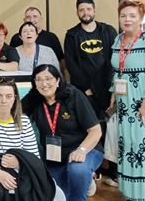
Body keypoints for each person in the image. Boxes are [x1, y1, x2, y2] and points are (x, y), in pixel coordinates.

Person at [22, 64, 103, 201]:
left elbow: (95, 131)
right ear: (34, 83)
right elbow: (13, 112)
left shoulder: (73, 95)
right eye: (39, 79)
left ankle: (85, 178)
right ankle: (86, 180)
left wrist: (81, 150)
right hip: (55, 157)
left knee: (77, 170)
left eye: (49, 78)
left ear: (58, 80)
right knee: (56, 195)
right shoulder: (34, 98)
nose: (44, 84)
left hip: (85, 150)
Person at [0, 78, 64, 201]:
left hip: (20, 170)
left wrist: (20, 162)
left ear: (14, 98)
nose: (3, 100)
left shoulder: (23, 121)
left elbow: (34, 156)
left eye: (8, 96)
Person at [109, 0, 145, 201]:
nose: (127, 19)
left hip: (144, 107)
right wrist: (114, 92)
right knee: (128, 148)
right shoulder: (118, 40)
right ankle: (131, 194)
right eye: (123, 16)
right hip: (124, 107)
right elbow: (118, 71)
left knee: (144, 149)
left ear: (141, 18)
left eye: (132, 15)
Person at [64, 0, 118, 186]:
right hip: (84, 92)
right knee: (90, 129)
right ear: (77, 12)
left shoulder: (108, 31)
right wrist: (86, 88)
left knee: (111, 130)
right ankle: (92, 172)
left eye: (88, 9)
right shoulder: (72, 35)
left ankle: (114, 172)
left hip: (107, 90)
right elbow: (71, 64)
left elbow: (114, 60)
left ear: (94, 10)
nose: (85, 13)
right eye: (81, 10)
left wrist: (109, 88)